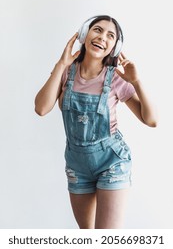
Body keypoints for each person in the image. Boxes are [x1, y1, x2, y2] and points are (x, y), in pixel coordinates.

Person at [34, 15, 157, 229]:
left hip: (112, 162)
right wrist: (61, 63)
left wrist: (137, 82)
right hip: (77, 165)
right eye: (97, 30)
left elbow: (151, 120)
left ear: (114, 47)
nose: (102, 37)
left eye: (110, 35)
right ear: (84, 34)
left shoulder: (117, 78)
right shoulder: (65, 72)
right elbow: (41, 108)